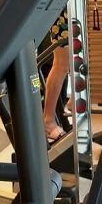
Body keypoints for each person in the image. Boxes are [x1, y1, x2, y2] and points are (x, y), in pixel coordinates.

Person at [40, 11, 70, 142]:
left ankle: (71, 105)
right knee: (61, 65)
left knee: (70, 64)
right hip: (62, 11)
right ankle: (48, 120)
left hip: (72, 7)